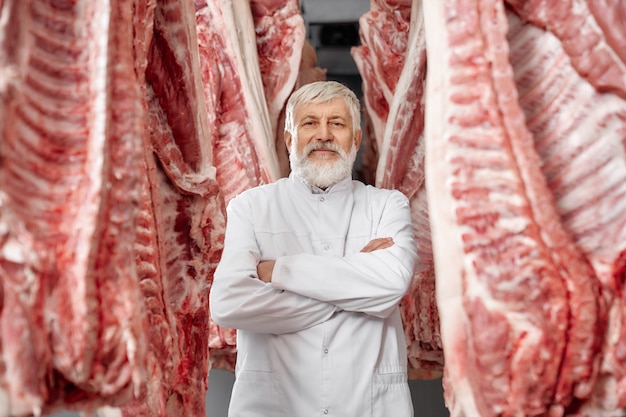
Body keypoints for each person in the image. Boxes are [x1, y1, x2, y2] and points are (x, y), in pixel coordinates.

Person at [210, 80, 417, 417]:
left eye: (337, 123)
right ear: (290, 139)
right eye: (310, 123)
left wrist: (276, 271)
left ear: (356, 139)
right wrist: (354, 285)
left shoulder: (387, 206)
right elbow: (228, 304)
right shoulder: (250, 207)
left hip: (370, 406)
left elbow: (392, 284)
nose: (323, 135)